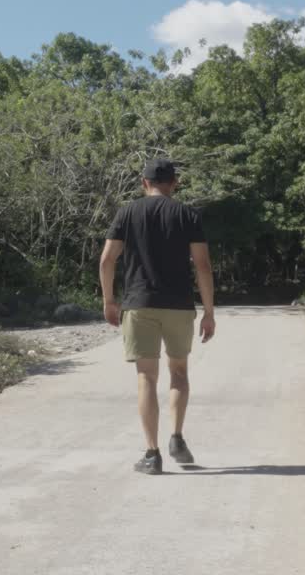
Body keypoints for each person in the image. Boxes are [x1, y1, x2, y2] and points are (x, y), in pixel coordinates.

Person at [99, 158, 216, 475]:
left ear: (143, 183)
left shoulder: (128, 212)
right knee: (179, 373)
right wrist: (208, 311)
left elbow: (107, 260)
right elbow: (202, 266)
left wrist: (109, 300)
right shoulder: (187, 214)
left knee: (146, 378)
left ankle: (152, 455)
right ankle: (176, 437)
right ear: (174, 183)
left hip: (139, 304)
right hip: (179, 305)